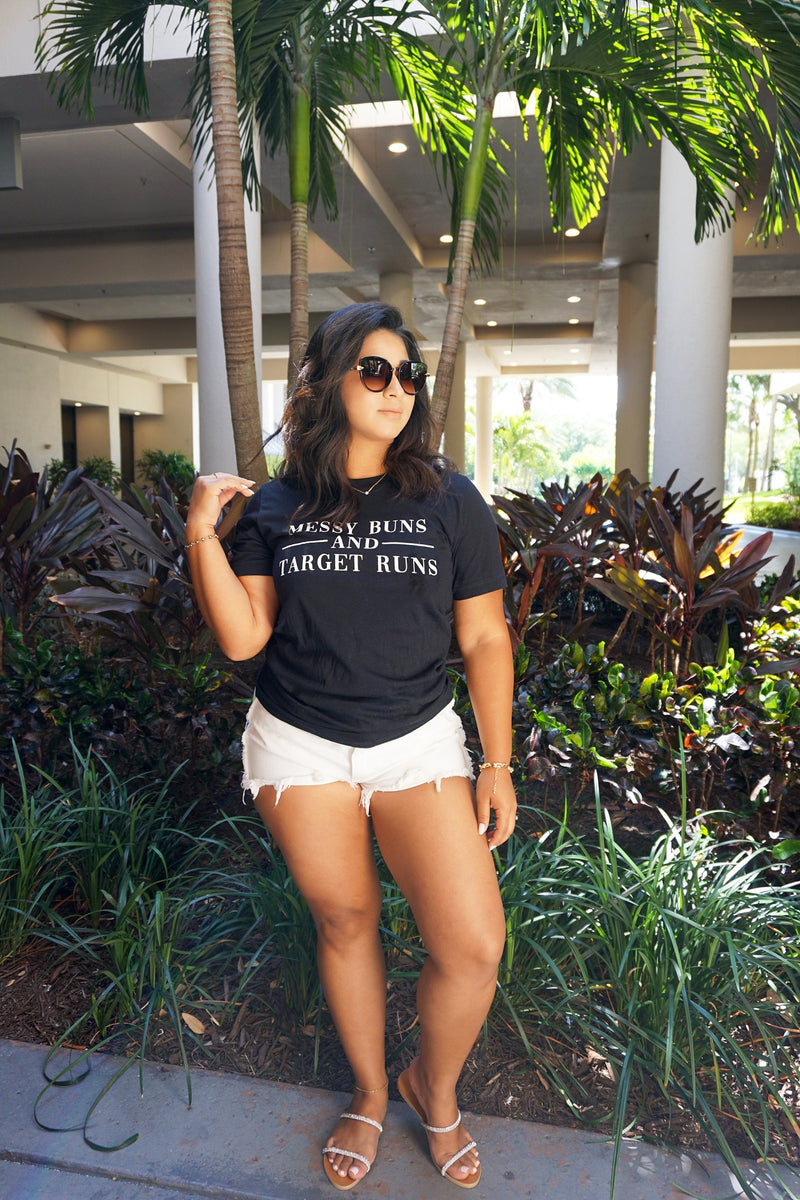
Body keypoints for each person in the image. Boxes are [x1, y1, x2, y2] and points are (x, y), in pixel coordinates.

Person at [184, 302, 516, 1191]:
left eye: (409, 374)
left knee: (474, 944)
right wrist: (200, 537)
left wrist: (496, 762)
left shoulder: (447, 498)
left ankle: (431, 1090)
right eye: (375, 370)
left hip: (417, 745)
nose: (397, 388)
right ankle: (371, 1093)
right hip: (300, 747)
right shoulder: (278, 506)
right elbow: (245, 640)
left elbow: (484, 639)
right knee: (346, 922)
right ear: (328, 381)